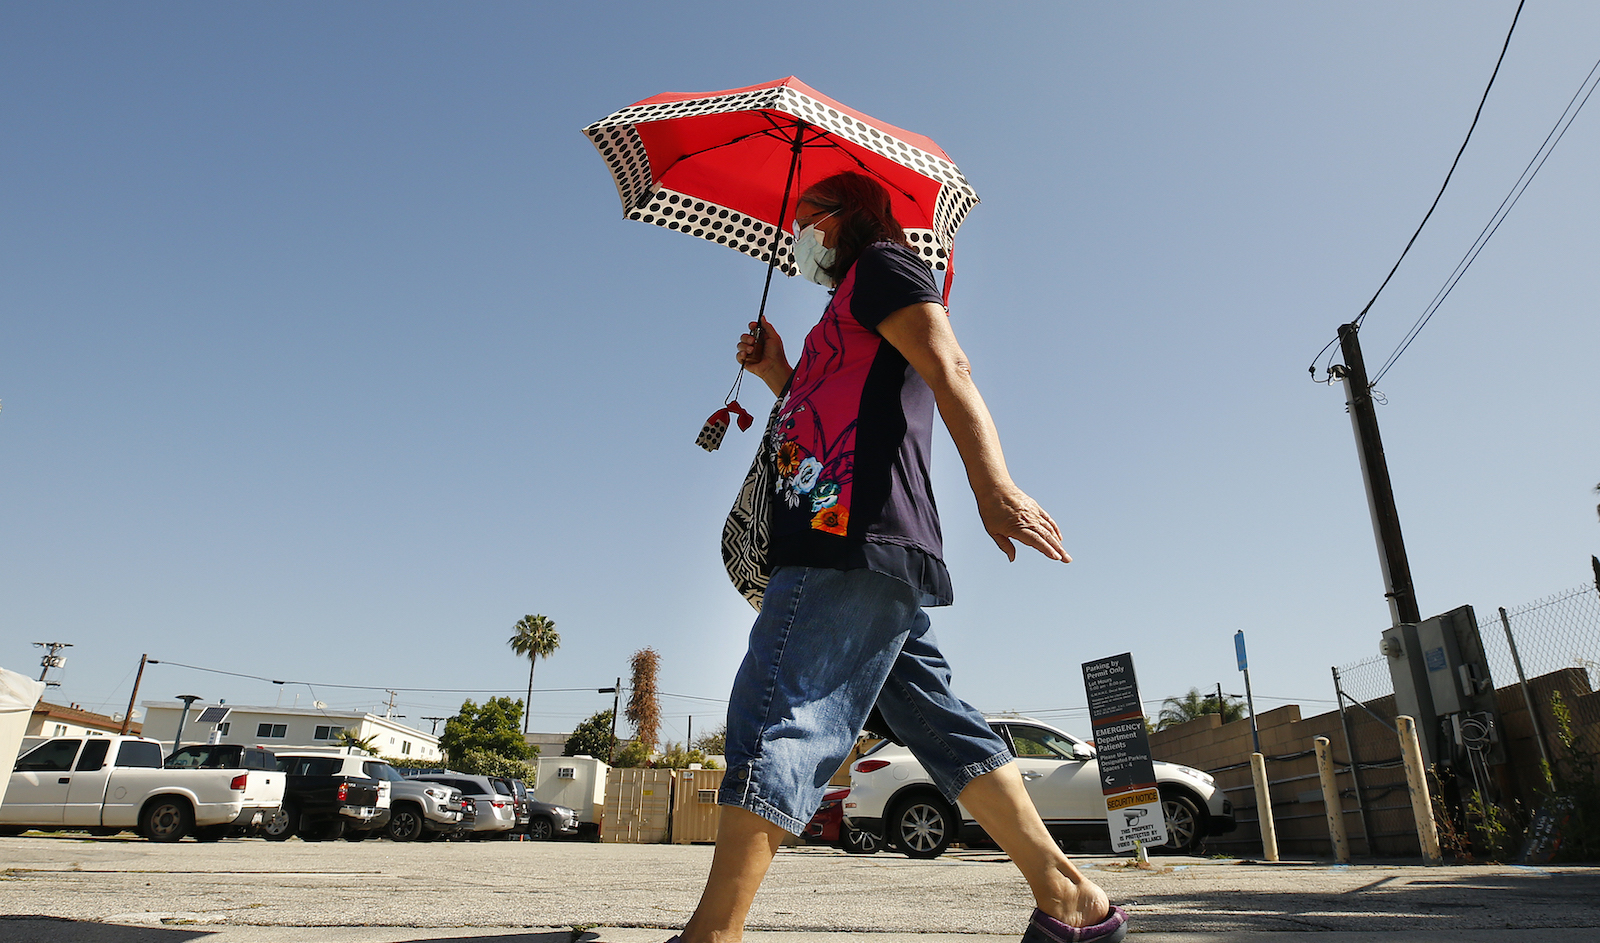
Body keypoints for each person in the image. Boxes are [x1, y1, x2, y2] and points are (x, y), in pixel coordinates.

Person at [669, 172, 1127, 943]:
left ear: (844, 216)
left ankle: (712, 933)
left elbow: (948, 366)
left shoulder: (885, 267)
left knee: (777, 707)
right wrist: (777, 369)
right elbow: (824, 410)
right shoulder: (837, 305)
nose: (795, 233)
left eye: (805, 216)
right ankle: (1072, 897)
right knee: (941, 726)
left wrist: (995, 487)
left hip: (845, 533)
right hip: (856, 541)